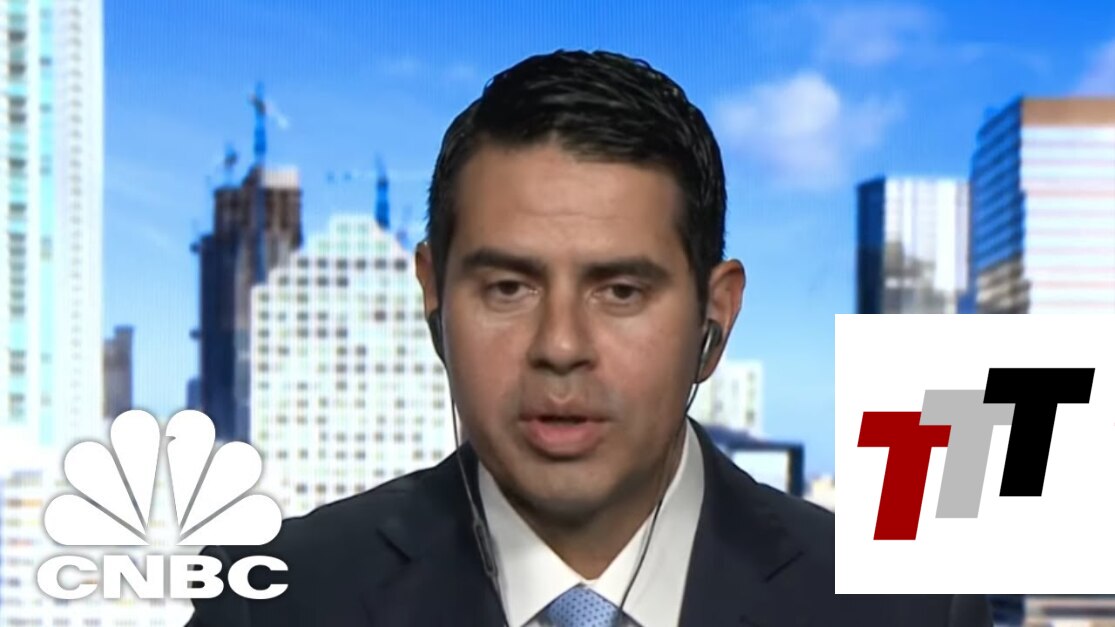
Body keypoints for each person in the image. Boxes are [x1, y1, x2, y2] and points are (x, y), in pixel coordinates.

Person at [186, 50, 992, 626]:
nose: (561, 345)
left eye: (621, 291)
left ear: (715, 313)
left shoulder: (905, 607)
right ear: (432, 295)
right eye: (508, 287)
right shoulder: (268, 599)